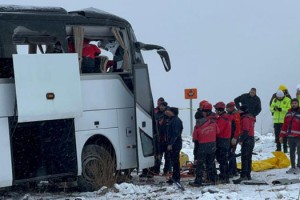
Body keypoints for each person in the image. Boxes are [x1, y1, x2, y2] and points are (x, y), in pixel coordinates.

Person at [189, 108, 219, 187]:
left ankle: (198, 181)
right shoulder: (213, 122)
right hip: (212, 145)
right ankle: (212, 179)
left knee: (200, 164)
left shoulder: (198, 126)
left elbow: (195, 138)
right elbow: (218, 132)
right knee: (211, 163)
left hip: (202, 146)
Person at [234, 105, 255, 181]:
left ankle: (244, 175)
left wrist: (241, 139)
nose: (238, 111)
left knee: (245, 158)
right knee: (248, 158)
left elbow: (245, 130)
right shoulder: (250, 117)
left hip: (247, 139)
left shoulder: (245, 118)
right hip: (250, 139)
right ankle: (248, 175)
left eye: (239, 110)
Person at [279, 98, 300, 174]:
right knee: (291, 152)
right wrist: (281, 136)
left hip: (298, 137)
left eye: (295, 103)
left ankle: (298, 167)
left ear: (298, 104)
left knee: (299, 152)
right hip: (290, 136)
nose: (293, 104)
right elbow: (284, 126)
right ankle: (293, 167)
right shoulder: (288, 113)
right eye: (292, 103)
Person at [214, 101, 232, 183]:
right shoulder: (225, 117)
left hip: (222, 140)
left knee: (222, 159)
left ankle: (224, 176)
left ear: (219, 110)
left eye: (216, 109)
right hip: (225, 140)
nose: (215, 111)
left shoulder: (222, 119)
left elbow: (219, 131)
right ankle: (224, 175)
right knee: (223, 159)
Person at [152, 101, 171, 175]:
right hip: (159, 139)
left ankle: (166, 171)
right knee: (158, 156)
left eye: (163, 106)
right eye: (160, 106)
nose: (161, 107)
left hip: (167, 139)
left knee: (168, 157)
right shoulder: (157, 114)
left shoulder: (168, 115)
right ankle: (156, 170)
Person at [165, 107, 183, 184]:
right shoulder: (171, 119)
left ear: (172, 112)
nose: (166, 112)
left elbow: (176, 133)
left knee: (175, 162)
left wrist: (171, 144)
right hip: (173, 143)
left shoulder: (176, 121)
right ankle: (174, 177)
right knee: (173, 161)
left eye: (168, 111)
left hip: (175, 144)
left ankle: (176, 178)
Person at [226, 102, 240, 178]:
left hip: (233, 137)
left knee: (231, 154)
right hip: (231, 137)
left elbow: (238, 128)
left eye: (228, 107)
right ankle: (234, 170)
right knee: (231, 154)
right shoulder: (231, 114)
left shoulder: (235, 115)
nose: (226, 109)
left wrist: (235, 137)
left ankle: (232, 171)